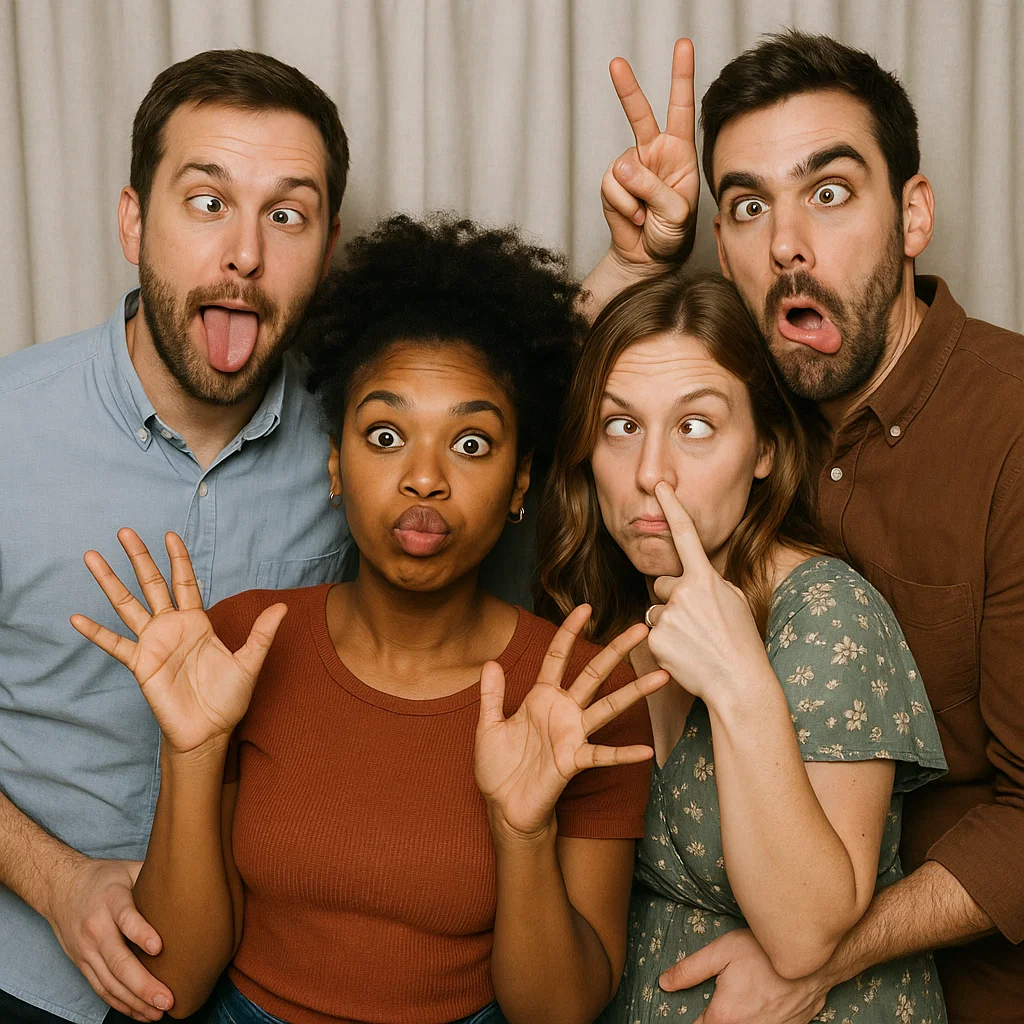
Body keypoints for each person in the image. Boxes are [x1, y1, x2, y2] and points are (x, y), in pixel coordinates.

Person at [0, 47, 567, 1024]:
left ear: (329, 245)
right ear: (133, 219)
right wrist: (56, 880)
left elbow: (499, 411)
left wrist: (636, 266)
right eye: (207, 202)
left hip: (257, 982)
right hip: (35, 976)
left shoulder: (368, 441)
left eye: (287, 215)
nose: (245, 255)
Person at [70, 213, 665, 1024]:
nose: (424, 477)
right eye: (385, 435)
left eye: (471, 444)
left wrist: (523, 834)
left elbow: (558, 1015)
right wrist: (194, 749)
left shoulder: (579, 691)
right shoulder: (240, 643)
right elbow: (171, 982)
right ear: (335, 465)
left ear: (521, 482)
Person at [584, 29, 1024, 1024]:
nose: (786, 242)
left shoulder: (1010, 428)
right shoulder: (736, 412)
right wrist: (628, 268)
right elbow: (539, 446)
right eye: (749, 206)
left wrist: (826, 955)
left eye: (828, 192)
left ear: (913, 215)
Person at [535, 267, 947, 1022]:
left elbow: (804, 936)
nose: (650, 474)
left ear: (764, 448)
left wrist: (737, 683)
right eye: (621, 426)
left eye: (695, 426)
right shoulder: (601, 618)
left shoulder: (827, 612)